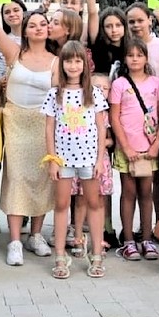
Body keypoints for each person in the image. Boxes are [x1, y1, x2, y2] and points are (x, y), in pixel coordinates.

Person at [0, 4, 56, 265]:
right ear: (24, 29)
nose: (37, 28)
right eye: (32, 24)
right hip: (16, 121)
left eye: (42, 24)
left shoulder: (56, 61)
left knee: (42, 178)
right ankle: (14, 240)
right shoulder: (14, 52)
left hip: (44, 123)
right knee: (16, 177)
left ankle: (35, 235)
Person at [42, 41, 109, 279]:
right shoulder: (54, 94)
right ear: (62, 64)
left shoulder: (94, 93)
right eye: (68, 61)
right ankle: (60, 255)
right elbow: (49, 128)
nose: (73, 65)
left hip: (89, 159)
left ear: (85, 64)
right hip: (63, 160)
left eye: (77, 61)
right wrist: (52, 160)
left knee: (93, 203)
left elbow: (101, 128)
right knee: (61, 206)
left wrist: (100, 160)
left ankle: (97, 253)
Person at [111, 39, 159, 262]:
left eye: (139, 55)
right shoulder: (119, 84)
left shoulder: (156, 83)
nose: (134, 58)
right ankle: (129, 240)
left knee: (146, 192)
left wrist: (157, 143)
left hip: (148, 149)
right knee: (128, 193)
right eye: (130, 55)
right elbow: (114, 117)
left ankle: (146, 237)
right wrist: (125, 146)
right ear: (125, 58)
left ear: (146, 58)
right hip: (127, 149)